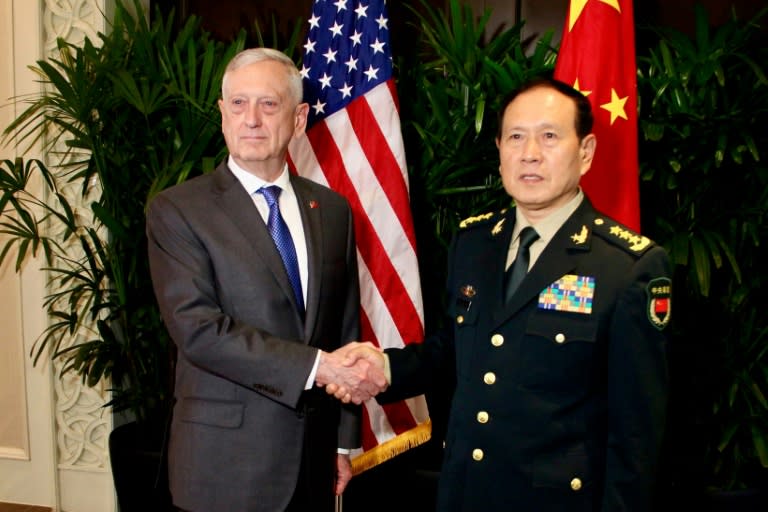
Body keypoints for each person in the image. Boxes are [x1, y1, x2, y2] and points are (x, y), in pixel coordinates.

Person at [333, 77, 672, 511]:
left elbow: (636, 438)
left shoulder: (627, 266)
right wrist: (385, 368)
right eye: (515, 137)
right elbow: (456, 351)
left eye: (549, 136)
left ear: (585, 153)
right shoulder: (474, 242)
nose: (530, 153)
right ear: (499, 149)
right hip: (465, 493)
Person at [146, 48, 386, 512]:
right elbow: (199, 331)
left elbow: (343, 327)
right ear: (222, 115)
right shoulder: (178, 210)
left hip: (311, 464)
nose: (251, 119)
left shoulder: (332, 210)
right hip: (224, 467)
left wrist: (341, 443)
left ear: (298, 119)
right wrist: (319, 367)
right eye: (238, 104)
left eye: (269, 105)